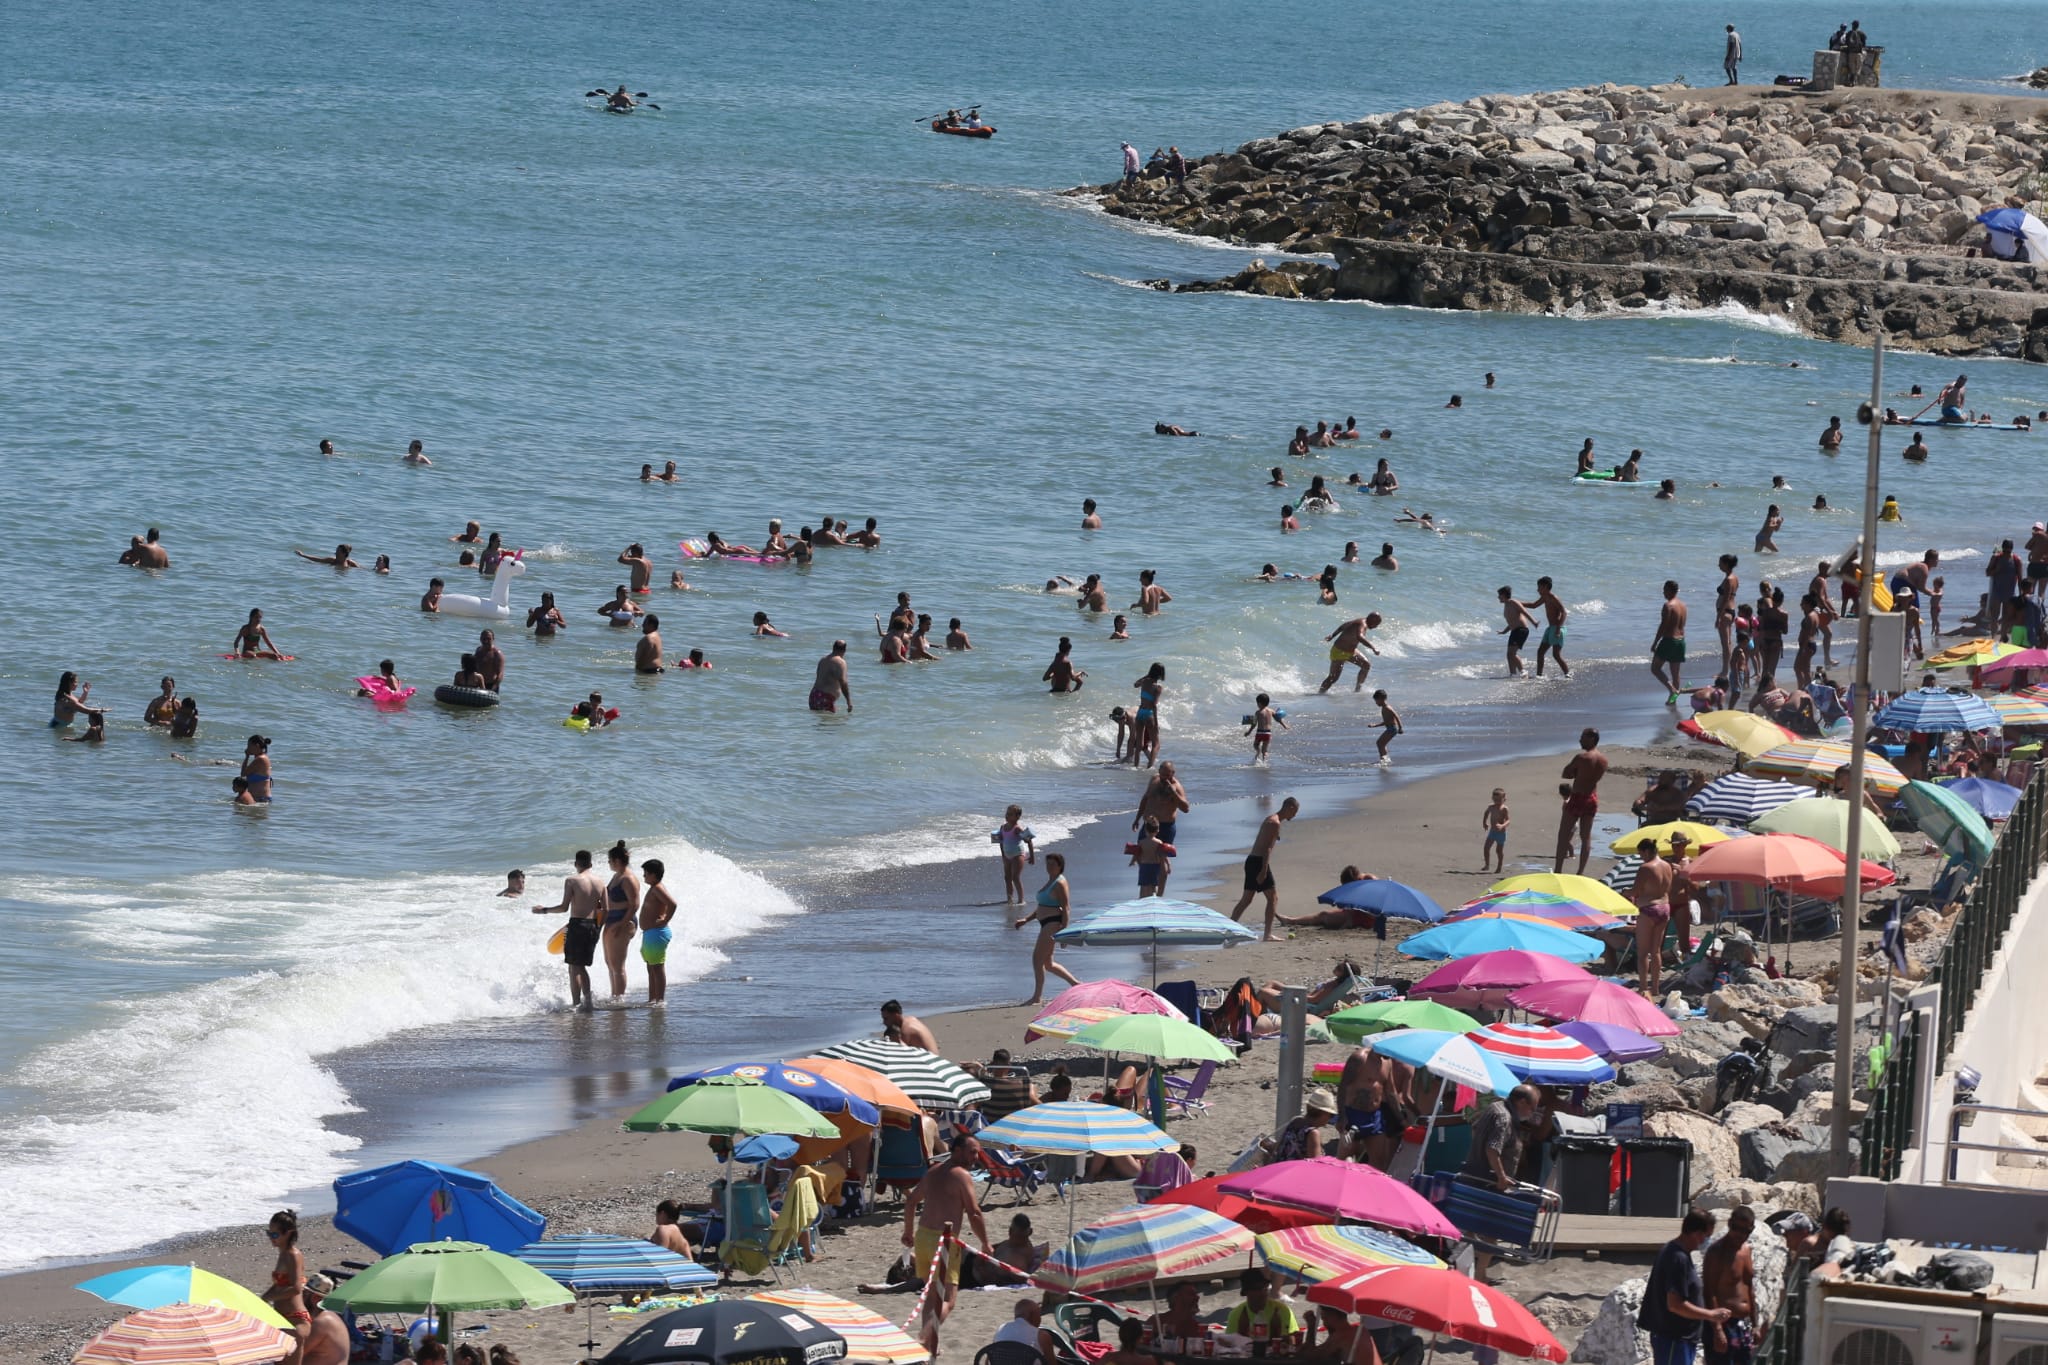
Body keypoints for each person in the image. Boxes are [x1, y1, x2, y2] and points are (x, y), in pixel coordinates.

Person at [903, 1135, 992, 1354]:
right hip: (942, 1241)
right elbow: (974, 1212)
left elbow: (911, 1202)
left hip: (923, 1237)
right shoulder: (961, 1175)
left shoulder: (933, 1171)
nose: (976, 1157)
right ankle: (924, 1338)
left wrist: (907, 1231)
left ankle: (930, 1347)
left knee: (932, 1296)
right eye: (972, 1152)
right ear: (958, 1150)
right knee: (949, 1300)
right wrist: (986, 1243)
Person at [1640, 1209, 1732, 1365]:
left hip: (1680, 1340)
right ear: (1696, 1233)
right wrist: (1711, 1315)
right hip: (1673, 1340)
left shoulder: (1678, 1252)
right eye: (1706, 1236)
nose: (1707, 1241)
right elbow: (1675, 1304)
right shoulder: (1678, 1259)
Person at [533, 849, 604, 1011]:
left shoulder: (572, 880)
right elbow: (605, 909)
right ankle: (588, 1002)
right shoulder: (600, 882)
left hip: (577, 926)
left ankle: (576, 1004)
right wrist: (598, 927)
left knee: (574, 966)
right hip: (592, 926)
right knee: (582, 966)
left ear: (575, 864)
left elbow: (564, 908)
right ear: (591, 864)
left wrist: (544, 910)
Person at [1229, 797, 1299, 940]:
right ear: (1290, 808)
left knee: (1246, 900)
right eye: (1295, 812)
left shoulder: (1271, 819)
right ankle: (1267, 934)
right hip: (1259, 862)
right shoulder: (1275, 823)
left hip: (1252, 860)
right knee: (1273, 898)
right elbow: (1267, 849)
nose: (1295, 815)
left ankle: (1229, 928)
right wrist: (1264, 870)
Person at [1014, 854, 1080, 1004]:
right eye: (1047, 864)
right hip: (1045, 923)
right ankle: (1076, 984)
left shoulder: (1060, 883)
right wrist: (1026, 920)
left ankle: (1037, 997)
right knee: (1048, 964)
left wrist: (1065, 932)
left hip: (1053, 924)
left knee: (1037, 959)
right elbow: (1041, 907)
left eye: (1052, 864)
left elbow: (1066, 908)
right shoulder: (1050, 881)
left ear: (1060, 866)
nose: (1049, 867)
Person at [1703, 1206, 1757, 1365]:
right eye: (1735, 1228)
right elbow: (1709, 1292)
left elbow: (1749, 1287)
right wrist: (1717, 1330)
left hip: (1743, 1325)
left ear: (1751, 1230)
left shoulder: (1746, 1250)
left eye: (1744, 1231)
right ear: (1729, 1224)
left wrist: (1755, 1324)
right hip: (1724, 1325)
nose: (1739, 1234)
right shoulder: (1716, 1252)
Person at [1556, 728, 1609, 875]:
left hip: (1578, 796)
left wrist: (1576, 772)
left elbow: (1566, 773)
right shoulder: (1603, 760)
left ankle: (1558, 869)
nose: (1580, 740)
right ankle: (1580, 872)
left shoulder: (1582, 757)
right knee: (1586, 837)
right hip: (1591, 797)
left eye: (1583, 738)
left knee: (1563, 835)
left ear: (1591, 739)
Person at [1465, 1085, 1538, 1189]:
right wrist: (1501, 1177)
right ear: (1522, 1102)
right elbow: (1492, 1149)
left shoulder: (1495, 1106)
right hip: (1487, 1184)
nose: (1532, 1113)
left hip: (1476, 1178)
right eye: (1532, 1109)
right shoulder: (1504, 1117)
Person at [1630, 838, 1675, 996]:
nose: (1641, 857)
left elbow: (1635, 891)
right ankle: (1655, 987)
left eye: (1641, 854)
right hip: (1665, 907)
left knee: (1642, 952)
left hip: (1648, 908)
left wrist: (1624, 892)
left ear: (1647, 851)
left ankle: (1643, 987)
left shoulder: (1646, 867)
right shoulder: (1667, 866)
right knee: (1656, 951)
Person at [262, 1211, 309, 1349]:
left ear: (288, 1233)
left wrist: (268, 1297)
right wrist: (264, 1297)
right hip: (284, 1317)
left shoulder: (292, 1255)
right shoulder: (283, 1254)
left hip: (295, 1319)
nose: (271, 1238)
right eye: (269, 1233)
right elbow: (279, 1285)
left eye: (275, 1234)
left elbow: (296, 1288)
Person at [599, 842, 640, 1000]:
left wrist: (622, 924)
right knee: (609, 962)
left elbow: (635, 904)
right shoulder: (617, 876)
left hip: (623, 922)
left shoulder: (628, 878)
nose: (608, 863)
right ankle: (614, 996)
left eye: (609, 861)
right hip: (612, 920)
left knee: (617, 965)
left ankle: (619, 999)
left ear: (616, 861)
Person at [1226, 1269, 1302, 1351]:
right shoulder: (1237, 1314)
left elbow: (1292, 1342)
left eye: (1265, 1288)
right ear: (1247, 1292)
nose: (1263, 1293)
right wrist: (1242, 1333)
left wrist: (1277, 1331)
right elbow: (1229, 1344)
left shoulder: (1281, 1310)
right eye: (1257, 1289)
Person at [640, 857, 676, 1005]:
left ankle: (660, 1000)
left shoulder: (658, 888)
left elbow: (672, 904)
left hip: (657, 933)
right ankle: (652, 999)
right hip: (651, 933)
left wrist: (665, 920)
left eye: (646, 873)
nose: (643, 876)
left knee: (657, 968)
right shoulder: (654, 888)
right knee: (651, 968)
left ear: (654, 875)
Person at [1319, 613, 1383, 692]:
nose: (1376, 627)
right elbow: (1360, 637)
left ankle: (1357, 690)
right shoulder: (1362, 624)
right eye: (1376, 624)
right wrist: (1373, 648)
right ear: (1372, 620)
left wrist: (1332, 635)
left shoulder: (1359, 621)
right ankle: (1320, 694)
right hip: (1339, 652)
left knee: (1366, 665)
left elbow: (1344, 626)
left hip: (1351, 651)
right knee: (1333, 678)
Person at [1652, 580, 1689, 701]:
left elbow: (1663, 626)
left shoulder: (1668, 606)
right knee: (1675, 672)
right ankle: (1673, 698)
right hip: (1681, 641)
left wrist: (1655, 642)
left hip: (1669, 640)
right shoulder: (1683, 605)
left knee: (1655, 668)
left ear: (1669, 590)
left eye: (1664, 589)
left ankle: (1671, 689)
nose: (1663, 592)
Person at [300, 1274, 348, 1365]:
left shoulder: (322, 1322)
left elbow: (295, 1352)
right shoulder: (327, 1317)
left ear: (316, 1298)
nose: (299, 1298)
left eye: (304, 1294)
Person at [991, 1298, 1060, 1360]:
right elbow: (1051, 1362)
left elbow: (990, 1358)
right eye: (1039, 1315)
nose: (1040, 1319)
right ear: (1033, 1316)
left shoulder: (1001, 1329)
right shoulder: (1041, 1335)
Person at [996, 805, 1036, 904]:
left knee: (1015, 877)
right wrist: (1003, 855)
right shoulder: (1002, 827)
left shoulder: (1017, 829)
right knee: (1007, 877)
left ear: (1017, 817)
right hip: (1007, 855)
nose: (1007, 815)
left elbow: (1029, 841)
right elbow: (1001, 842)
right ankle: (1009, 899)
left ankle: (1021, 900)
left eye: (1010, 814)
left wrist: (1032, 856)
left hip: (1018, 854)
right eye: (1007, 813)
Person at [1129, 663, 1167, 767]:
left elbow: (1135, 684)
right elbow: (1154, 704)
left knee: (1139, 744)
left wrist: (1146, 676)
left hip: (1140, 712)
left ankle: (1135, 766)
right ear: (1161, 674)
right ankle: (1149, 767)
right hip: (1149, 713)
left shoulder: (1144, 681)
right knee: (1156, 744)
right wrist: (1156, 722)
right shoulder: (1158, 687)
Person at [1534, 577, 1571, 676]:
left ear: (1545, 587)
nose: (1537, 590)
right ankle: (1539, 675)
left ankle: (1568, 673)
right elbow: (1533, 605)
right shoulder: (1545, 597)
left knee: (1556, 655)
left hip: (1557, 629)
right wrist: (1518, 603)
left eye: (1539, 587)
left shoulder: (1553, 597)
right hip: (1550, 629)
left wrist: (1558, 629)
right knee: (1540, 652)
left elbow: (1564, 612)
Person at [1498, 586, 1537, 677]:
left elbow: (1525, 612)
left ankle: (1523, 671)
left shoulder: (1513, 602)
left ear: (1503, 595)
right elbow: (1512, 622)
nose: (1498, 597)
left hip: (1521, 630)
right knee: (1509, 654)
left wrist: (1534, 622)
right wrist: (1504, 631)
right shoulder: (1506, 605)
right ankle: (1513, 673)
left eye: (1499, 595)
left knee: (1512, 653)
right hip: (1514, 631)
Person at [810, 640, 853, 713]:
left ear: (833, 648)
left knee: (820, 722)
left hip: (813, 696)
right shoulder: (841, 662)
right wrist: (849, 701)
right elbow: (843, 682)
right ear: (844, 650)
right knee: (832, 723)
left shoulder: (823, 660)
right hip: (825, 698)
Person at [1247, 692, 1289, 760]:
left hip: (1259, 733)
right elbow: (1278, 719)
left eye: (1257, 703)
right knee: (1265, 750)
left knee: (1255, 745)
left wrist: (1248, 732)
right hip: (1267, 733)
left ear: (1259, 703)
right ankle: (1265, 762)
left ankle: (1258, 751)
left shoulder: (1257, 712)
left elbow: (1253, 724)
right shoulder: (1271, 711)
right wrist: (1284, 725)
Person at [1481, 788, 1511, 872]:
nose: (1497, 802)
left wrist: (1502, 825)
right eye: (1495, 800)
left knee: (1499, 851)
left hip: (1501, 833)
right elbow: (1486, 813)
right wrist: (1484, 822)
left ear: (1504, 799)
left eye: (1499, 800)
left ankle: (1499, 866)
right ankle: (1487, 865)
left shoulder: (1504, 809)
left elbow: (1508, 820)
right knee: (1486, 848)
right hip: (1492, 831)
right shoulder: (1491, 807)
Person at [1373, 690, 1402, 765]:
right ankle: (1384, 759)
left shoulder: (1387, 708)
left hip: (1392, 729)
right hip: (1390, 728)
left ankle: (1384, 759)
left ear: (1381, 699)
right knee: (1381, 743)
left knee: (1380, 743)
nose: (1376, 703)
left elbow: (1396, 716)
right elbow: (1387, 721)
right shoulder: (1384, 708)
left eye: (1376, 701)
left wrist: (1400, 728)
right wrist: (1375, 725)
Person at [295, 543, 360, 569]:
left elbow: (361, 569)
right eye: (336, 551)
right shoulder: (332, 560)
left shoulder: (350, 563)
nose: (335, 553)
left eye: (338, 551)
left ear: (344, 554)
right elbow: (318, 559)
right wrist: (303, 555)